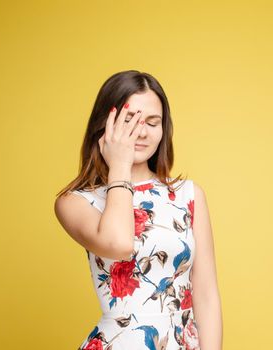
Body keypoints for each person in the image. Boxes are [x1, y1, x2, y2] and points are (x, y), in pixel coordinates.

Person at [54, 70, 223, 350]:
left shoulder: (188, 195)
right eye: (129, 121)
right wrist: (119, 164)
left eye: (153, 122)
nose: (142, 132)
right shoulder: (75, 202)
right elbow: (119, 244)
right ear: (105, 125)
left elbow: (206, 293)